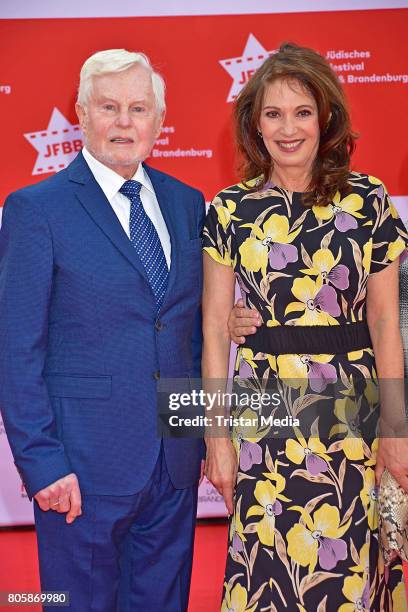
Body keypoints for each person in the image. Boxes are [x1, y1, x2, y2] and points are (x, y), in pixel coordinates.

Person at [0, 48, 210, 612]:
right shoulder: (35, 209)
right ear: (81, 114)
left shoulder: (189, 205)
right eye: (109, 107)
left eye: (139, 108)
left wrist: (205, 435)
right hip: (80, 472)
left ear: (159, 121)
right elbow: (16, 349)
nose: (125, 122)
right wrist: (43, 462)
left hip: (175, 464)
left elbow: (188, 335)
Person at [202, 42, 408, 610]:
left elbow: (386, 321)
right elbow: (215, 333)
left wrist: (396, 427)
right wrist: (216, 438)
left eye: (302, 112)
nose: (288, 128)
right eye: (273, 113)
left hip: (354, 417)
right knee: (267, 565)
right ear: (254, 124)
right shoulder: (227, 210)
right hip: (261, 421)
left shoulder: (369, 201)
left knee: (351, 566)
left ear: (326, 118)